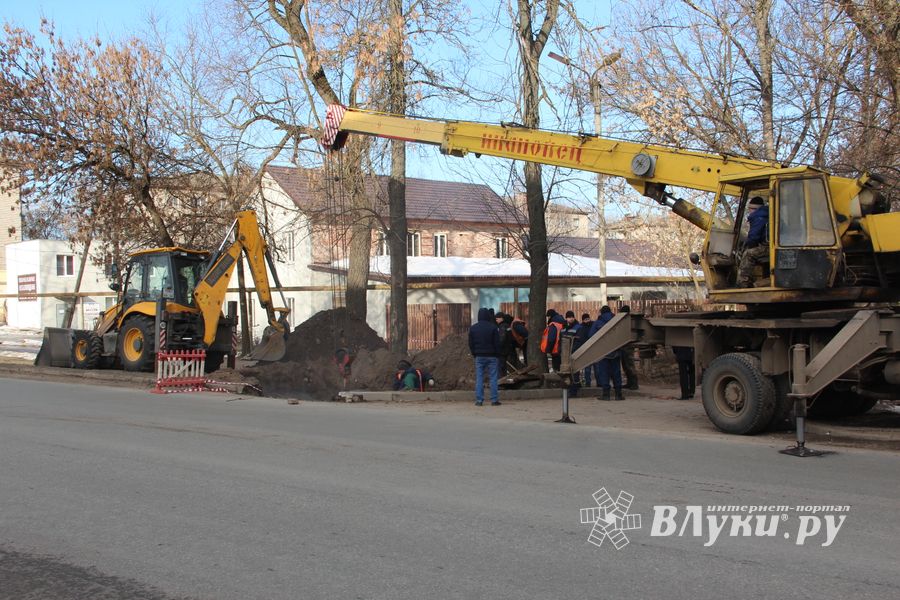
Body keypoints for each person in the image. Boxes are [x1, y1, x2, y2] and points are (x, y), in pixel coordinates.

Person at [588, 305, 624, 401]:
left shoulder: (598, 323)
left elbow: (591, 336)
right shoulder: (616, 321)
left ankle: (606, 394)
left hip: (603, 352)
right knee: (616, 372)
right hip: (615, 351)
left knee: (604, 373)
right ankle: (618, 394)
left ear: (601, 313)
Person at [469, 307, 501, 406]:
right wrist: (497, 354)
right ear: (488, 316)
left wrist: (474, 353)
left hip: (479, 356)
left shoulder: (473, 328)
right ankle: (494, 400)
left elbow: (470, 343)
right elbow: (497, 343)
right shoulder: (493, 327)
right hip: (492, 356)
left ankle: (479, 400)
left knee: (479, 378)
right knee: (493, 378)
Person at [737, 195, 770, 288]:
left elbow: (753, 237)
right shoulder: (769, 214)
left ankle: (743, 282)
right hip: (773, 246)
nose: (749, 211)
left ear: (753, 208)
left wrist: (748, 246)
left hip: (768, 248)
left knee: (749, 254)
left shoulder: (758, 217)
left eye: (749, 209)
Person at [619, 305, 639, 390]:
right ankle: (630, 383)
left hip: (628, 346)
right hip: (626, 345)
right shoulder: (628, 320)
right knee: (626, 365)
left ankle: (634, 383)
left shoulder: (629, 321)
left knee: (629, 365)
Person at [577, 313, 594, 386]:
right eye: (586, 319)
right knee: (587, 368)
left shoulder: (584, 326)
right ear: (583, 320)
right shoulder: (582, 327)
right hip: (586, 348)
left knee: (593, 367)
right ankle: (588, 382)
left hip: (590, 347)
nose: (587, 321)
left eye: (588, 319)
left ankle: (590, 382)